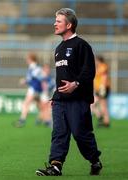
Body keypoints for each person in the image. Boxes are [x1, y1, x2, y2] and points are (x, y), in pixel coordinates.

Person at [36, 8, 102, 176]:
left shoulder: (82, 45)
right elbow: (61, 76)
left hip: (78, 99)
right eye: (55, 21)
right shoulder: (58, 48)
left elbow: (89, 71)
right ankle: (56, 165)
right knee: (59, 132)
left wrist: (76, 84)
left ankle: (94, 160)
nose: (54, 24)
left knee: (81, 134)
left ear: (69, 24)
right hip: (60, 100)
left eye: (58, 21)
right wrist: (56, 96)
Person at [13, 52, 43, 128]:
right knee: (40, 106)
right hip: (37, 89)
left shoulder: (34, 67)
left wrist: (24, 81)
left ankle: (22, 120)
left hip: (33, 89)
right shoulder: (35, 67)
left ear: (31, 59)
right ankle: (43, 119)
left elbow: (32, 78)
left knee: (26, 104)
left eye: (27, 59)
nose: (26, 60)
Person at [92, 55, 110, 127]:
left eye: (96, 60)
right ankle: (102, 118)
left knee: (103, 105)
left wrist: (102, 87)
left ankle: (106, 121)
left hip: (102, 88)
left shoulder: (103, 66)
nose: (95, 62)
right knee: (94, 104)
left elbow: (104, 77)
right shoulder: (97, 68)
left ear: (99, 60)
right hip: (98, 89)